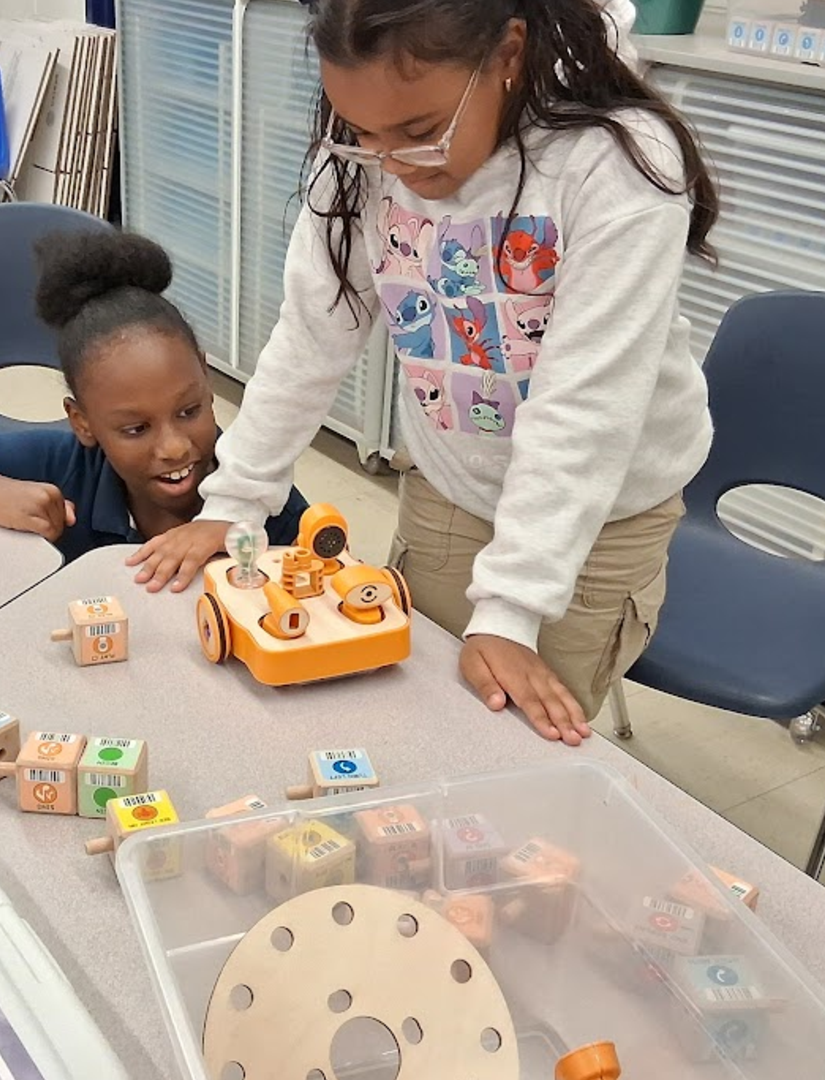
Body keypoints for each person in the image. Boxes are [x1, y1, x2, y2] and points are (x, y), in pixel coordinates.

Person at [127, 0, 719, 745]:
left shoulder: (616, 164)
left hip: (599, 515)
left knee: (510, 745)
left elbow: (585, 409)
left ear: (507, 55)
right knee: (412, 714)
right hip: (451, 484)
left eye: (419, 132)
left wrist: (509, 608)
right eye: (364, 133)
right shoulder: (364, 157)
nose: (395, 164)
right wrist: (234, 501)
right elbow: (312, 337)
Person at [0, 229, 311, 562]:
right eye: (135, 428)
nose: (175, 447)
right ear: (82, 422)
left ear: (207, 378)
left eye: (189, 410)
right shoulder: (64, 466)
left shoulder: (259, 495)